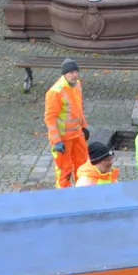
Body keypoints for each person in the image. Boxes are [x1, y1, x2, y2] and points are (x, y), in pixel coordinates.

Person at [44, 59, 90, 189]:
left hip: (77, 134)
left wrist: (83, 126)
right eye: (71, 72)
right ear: (64, 74)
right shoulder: (55, 92)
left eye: (76, 72)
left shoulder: (77, 85)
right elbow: (50, 118)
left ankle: (82, 191)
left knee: (83, 166)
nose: (74, 75)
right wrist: (56, 140)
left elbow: (78, 108)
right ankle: (63, 197)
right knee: (64, 170)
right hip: (63, 139)